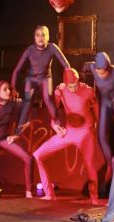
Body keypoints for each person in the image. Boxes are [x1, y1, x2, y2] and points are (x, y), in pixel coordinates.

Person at [33, 68, 101, 205]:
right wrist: (54, 125)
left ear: (79, 80)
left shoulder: (88, 91)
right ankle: (49, 194)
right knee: (38, 155)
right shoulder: (60, 90)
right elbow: (54, 111)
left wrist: (97, 126)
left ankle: (94, 198)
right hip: (68, 133)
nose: (73, 88)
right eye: (70, 86)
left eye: (76, 85)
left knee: (90, 165)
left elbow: (97, 109)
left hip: (85, 133)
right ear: (65, 83)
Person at [11, 25, 69, 137]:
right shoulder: (29, 50)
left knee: (48, 98)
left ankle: (58, 124)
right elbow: (16, 70)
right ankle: (18, 131)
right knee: (27, 101)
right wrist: (13, 88)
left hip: (46, 77)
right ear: (34, 37)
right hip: (31, 78)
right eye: (37, 35)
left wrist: (67, 81)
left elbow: (66, 65)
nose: (40, 37)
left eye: (43, 35)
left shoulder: (52, 47)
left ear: (48, 37)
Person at [82, 51, 114, 183]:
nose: (100, 74)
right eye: (98, 71)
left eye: (103, 72)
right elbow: (85, 67)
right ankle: (110, 164)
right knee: (101, 136)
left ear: (108, 68)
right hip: (105, 103)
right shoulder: (92, 66)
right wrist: (83, 77)